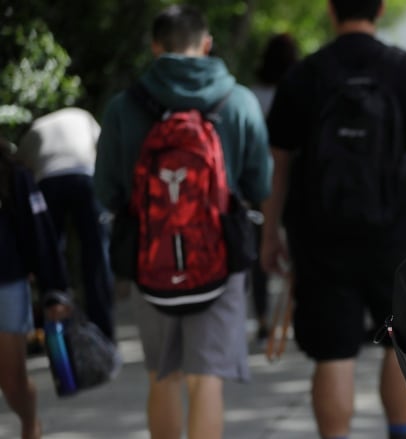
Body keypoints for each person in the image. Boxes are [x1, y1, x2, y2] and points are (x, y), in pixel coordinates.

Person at [261, 1, 406, 438]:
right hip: (395, 233)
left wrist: (271, 230)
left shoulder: (306, 73)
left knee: (333, 354)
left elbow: (278, 160)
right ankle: (400, 433)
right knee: (400, 344)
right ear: (381, 10)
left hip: (319, 233)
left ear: (331, 11)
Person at [94, 5, 272, 439]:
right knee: (205, 380)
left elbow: (106, 190)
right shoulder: (239, 100)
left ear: (156, 46)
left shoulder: (124, 106)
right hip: (220, 258)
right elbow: (260, 182)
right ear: (207, 45)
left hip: (149, 258)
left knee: (163, 375)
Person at [17, 107, 116, 341]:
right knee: (96, 255)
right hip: (85, 176)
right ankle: (104, 333)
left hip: (48, 181)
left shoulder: (36, 127)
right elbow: (104, 151)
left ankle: (57, 328)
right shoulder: (82, 116)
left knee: (51, 254)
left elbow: (21, 168)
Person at [0, 137, 71, 439]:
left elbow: (39, 232)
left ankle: (30, 425)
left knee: (12, 380)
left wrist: (54, 290)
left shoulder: (12, 173)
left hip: (7, 284)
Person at [249, 32, 300, 341]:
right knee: (296, 248)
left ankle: (264, 316)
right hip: (296, 180)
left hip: (260, 179)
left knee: (260, 251)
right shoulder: (298, 91)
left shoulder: (254, 95)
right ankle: (293, 311)